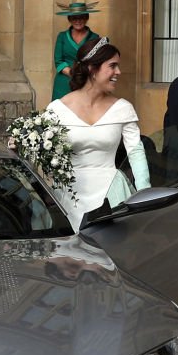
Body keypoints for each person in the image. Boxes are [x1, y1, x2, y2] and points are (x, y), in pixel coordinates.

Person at [46, 37, 151, 230]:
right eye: (112, 66)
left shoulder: (123, 109)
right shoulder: (57, 110)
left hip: (113, 196)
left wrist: (146, 195)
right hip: (69, 198)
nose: (118, 72)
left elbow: (136, 153)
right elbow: (44, 155)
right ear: (92, 69)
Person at [52, 1, 100, 101]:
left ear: (87, 18)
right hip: (64, 81)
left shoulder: (95, 37)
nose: (78, 21)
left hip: (86, 81)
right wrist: (73, 74)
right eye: (74, 18)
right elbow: (58, 61)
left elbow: (96, 61)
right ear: (69, 19)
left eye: (81, 17)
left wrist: (82, 76)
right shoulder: (62, 36)